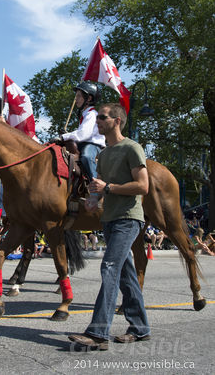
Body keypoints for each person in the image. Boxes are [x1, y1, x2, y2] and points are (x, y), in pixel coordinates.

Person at [68, 102, 150, 350]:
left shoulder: (132, 148)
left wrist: (109, 189)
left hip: (128, 218)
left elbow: (143, 186)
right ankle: (140, 327)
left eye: (102, 117)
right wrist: (93, 201)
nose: (98, 120)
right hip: (109, 220)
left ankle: (98, 333)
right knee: (126, 274)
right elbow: (100, 189)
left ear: (117, 120)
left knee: (110, 267)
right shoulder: (102, 155)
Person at [60, 82, 105, 181]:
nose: (76, 99)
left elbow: (83, 134)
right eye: (76, 96)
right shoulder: (86, 114)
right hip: (83, 144)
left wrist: (64, 136)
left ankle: (95, 185)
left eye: (79, 96)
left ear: (88, 99)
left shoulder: (92, 114)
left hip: (93, 146)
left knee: (86, 156)